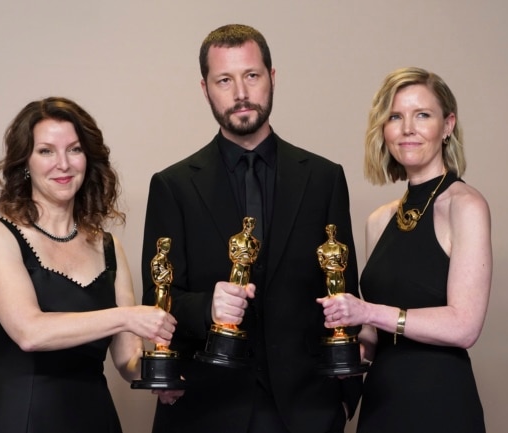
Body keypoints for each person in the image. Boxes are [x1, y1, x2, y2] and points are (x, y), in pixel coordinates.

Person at [142, 24, 361, 433]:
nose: (240, 92)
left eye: (252, 76)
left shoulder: (324, 177)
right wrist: (208, 305)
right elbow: (159, 297)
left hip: (306, 410)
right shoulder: (172, 186)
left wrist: (344, 397)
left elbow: (344, 289)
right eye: (224, 80)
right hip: (205, 410)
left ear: (272, 78)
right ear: (205, 89)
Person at [0, 97, 177, 433]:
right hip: (17, 419)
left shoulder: (109, 247)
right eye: (46, 151)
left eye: (74, 150)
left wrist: (166, 373)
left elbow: (126, 359)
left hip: (94, 418)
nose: (62, 164)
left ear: (88, 160)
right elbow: (30, 332)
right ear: (25, 163)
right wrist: (128, 316)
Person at [317, 67, 491, 432]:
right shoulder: (379, 220)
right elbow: (373, 335)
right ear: (384, 129)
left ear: (447, 126)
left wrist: (368, 311)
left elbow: (465, 326)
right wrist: (343, 340)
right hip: (382, 402)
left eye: (422, 115)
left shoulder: (466, 205)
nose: (407, 128)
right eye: (395, 117)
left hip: (441, 402)